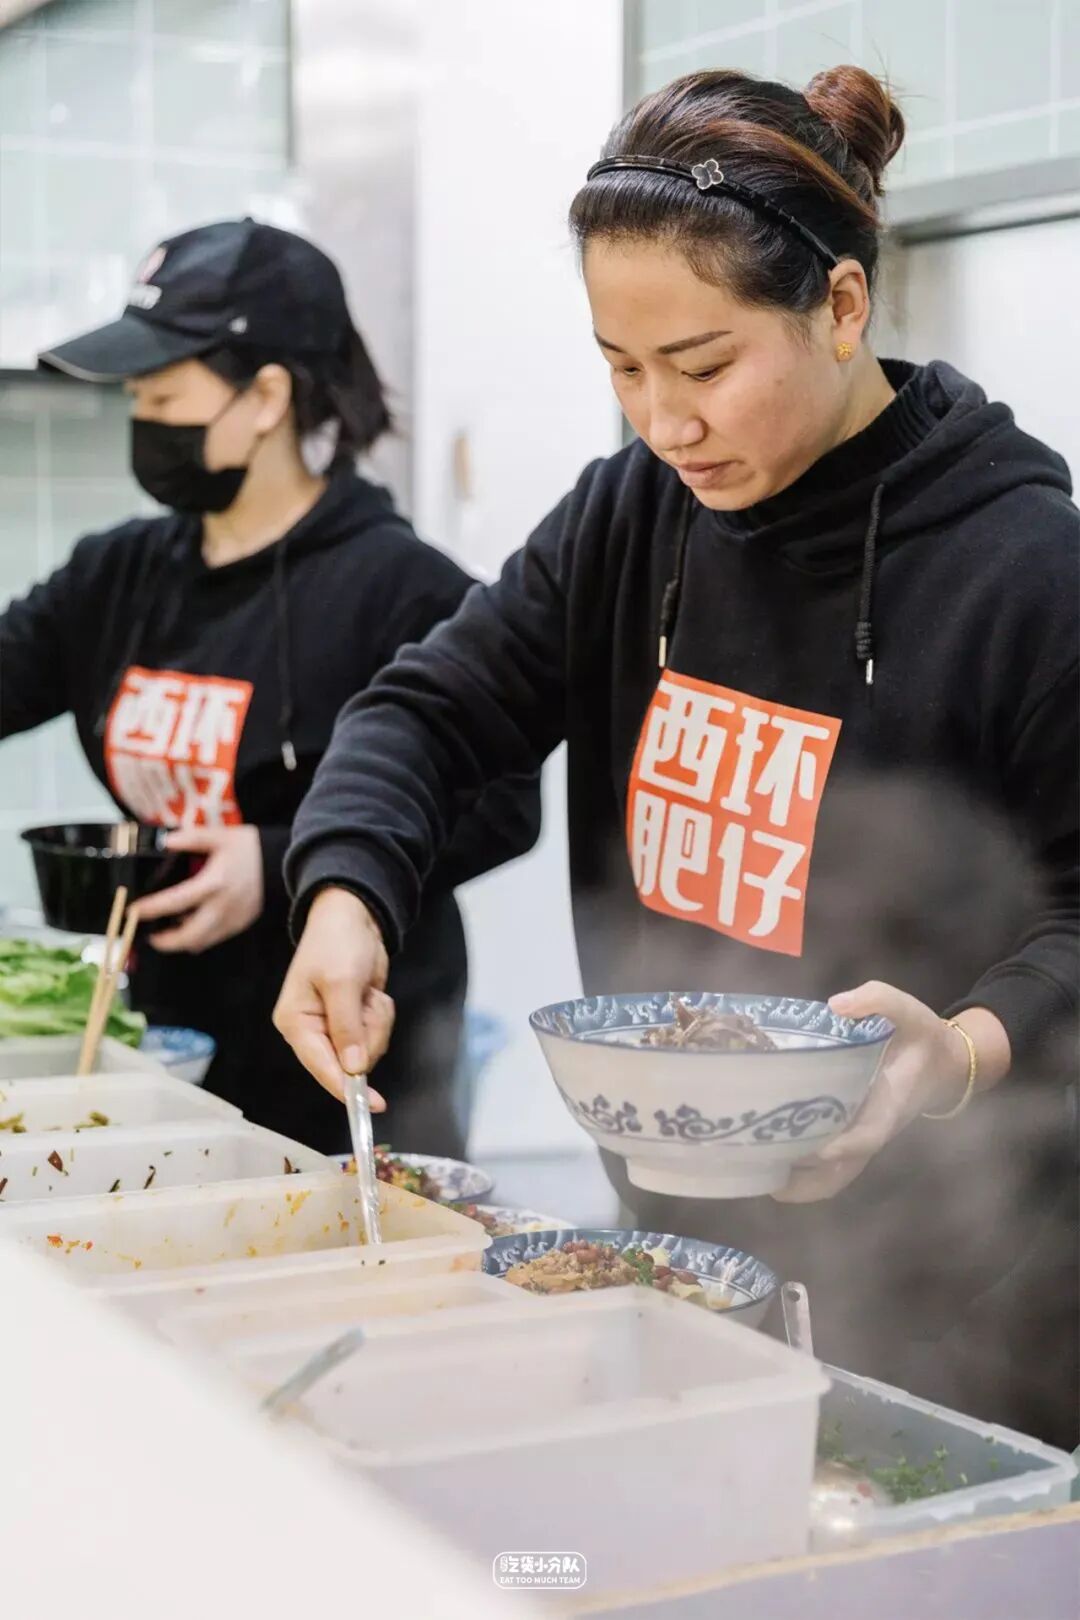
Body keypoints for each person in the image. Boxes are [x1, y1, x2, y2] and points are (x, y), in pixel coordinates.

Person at [273, 68, 1079, 1444]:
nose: (663, 421)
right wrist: (345, 892)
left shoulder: (1027, 571)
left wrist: (959, 1052)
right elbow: (428, 711)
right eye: (622, 366)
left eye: (704, 367)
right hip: (681, 1265)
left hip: (974, 1297)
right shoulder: (632, 516)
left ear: (841, 305)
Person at [0, 218, 539, 1154]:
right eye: (135, 397)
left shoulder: (401, 589)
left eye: (163, 394)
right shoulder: (117, 576)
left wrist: (281, 857)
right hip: (171, 1046)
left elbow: (502, 802)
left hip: (351, 1049)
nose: (143, 420)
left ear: (266, 398)